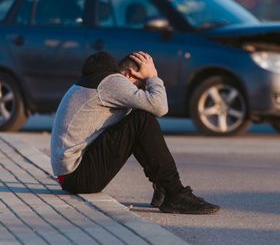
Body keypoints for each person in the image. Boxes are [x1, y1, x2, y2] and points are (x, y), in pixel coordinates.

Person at [50, 51, 219, 214]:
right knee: (141, 118)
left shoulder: (95, 81)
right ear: (129, 74)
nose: (139, 92)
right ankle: (175, 193)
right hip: (78, 177)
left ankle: (163, 188)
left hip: (71, 176)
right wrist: (152, 77)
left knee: (136, 116)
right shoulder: (112, 82)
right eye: (140, 86)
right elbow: (160, 107)